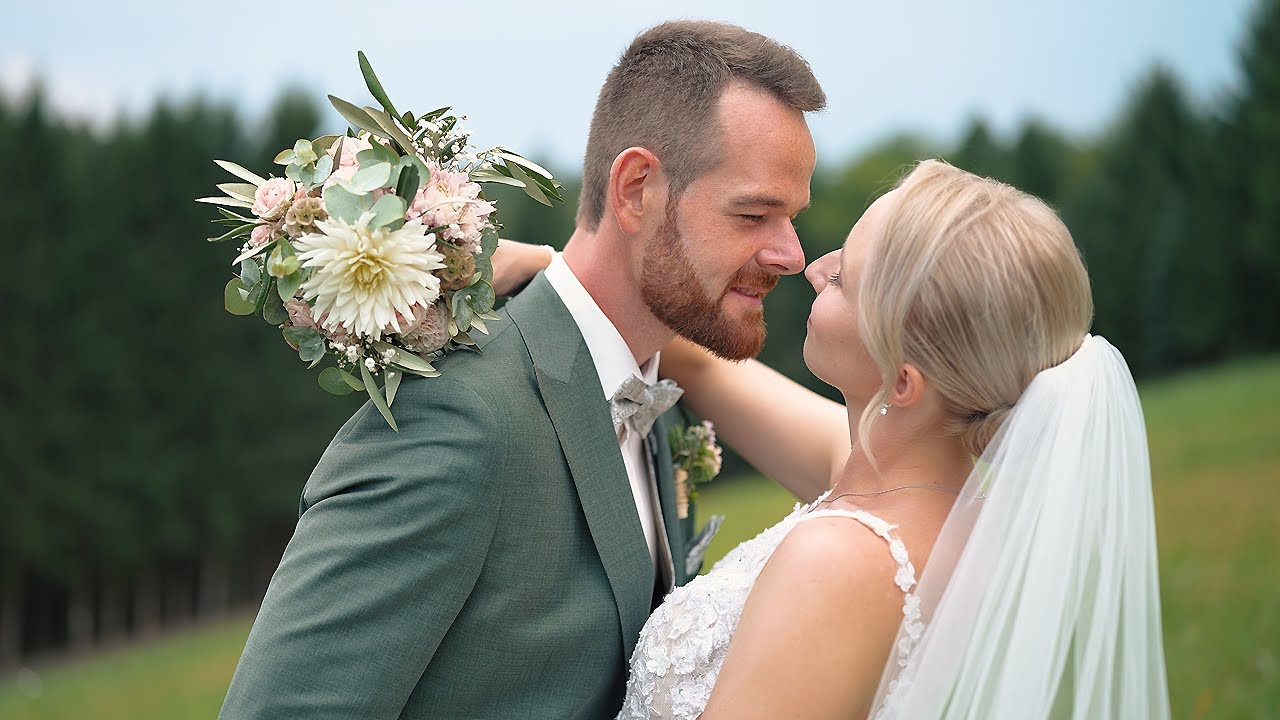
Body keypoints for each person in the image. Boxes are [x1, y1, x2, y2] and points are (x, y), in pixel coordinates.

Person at [218, 20, 826, 720]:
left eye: (792, 219)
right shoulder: (460, 422)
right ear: (635, 190)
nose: (792, 255)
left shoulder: (655, 389)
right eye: (754, 214)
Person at [502, 159, 1170, 718]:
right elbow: (699, 362)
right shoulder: (928, 496)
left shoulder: (841, 562)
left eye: (845, 277)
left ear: (904, 383)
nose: (813, 268)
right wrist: (558, 272)